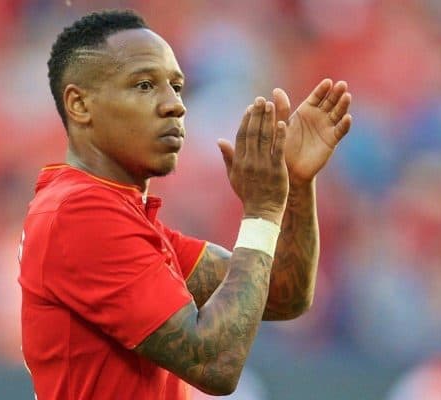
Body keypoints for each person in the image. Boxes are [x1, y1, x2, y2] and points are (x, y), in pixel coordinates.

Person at [18, 9, 352, 400]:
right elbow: (215, 364)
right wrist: (260, 212)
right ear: (79, 105)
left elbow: (282, 293)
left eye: (176, 86)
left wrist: (294, 184)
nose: (175, 105)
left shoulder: (118, 214)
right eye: (144, 85)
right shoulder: (80, 214)